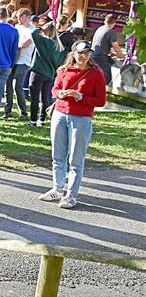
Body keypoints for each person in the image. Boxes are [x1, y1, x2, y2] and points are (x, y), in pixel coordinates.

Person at [39, 41, 107, 209]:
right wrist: (60, 93)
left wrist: (81, 97)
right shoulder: (64, 70)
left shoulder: (96, 74)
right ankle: (57, 188)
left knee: (76, 159)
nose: (84, 56)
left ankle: (71, 195)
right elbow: (54, 89)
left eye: (86, 53)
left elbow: (101, 100)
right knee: (58, 155)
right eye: (80, 53)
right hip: (60, 114)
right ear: (73, 54)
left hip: (81, 118)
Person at [29, 22, 64, 127]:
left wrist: (40, 28)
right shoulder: (59, 47)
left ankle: (33, 120)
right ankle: (42, 119)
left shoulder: (43, 41)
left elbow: (34, 33)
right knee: (45, 98)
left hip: (38, 71)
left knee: (34, 98)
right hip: (50, 74)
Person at [4, 8, 36, 119]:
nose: (18, 19)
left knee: (17, 85)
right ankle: (7, 111)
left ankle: (23, 112)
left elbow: (24, 44)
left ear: (27, 17)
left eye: (20, 17)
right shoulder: (16, 28)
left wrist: (15, 46)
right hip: (12, 59)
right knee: (8, 85)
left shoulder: (33, 30)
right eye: (17, 17)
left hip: (24, 60)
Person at [91, 13, 122, 86]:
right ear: (114, 23)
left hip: (93, 55)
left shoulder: (100, 28)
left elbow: (102, 43)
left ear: (105, 21)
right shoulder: (111, 32)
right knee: (106, 78)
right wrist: (122, 56)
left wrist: (111, 53)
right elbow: (116, 47)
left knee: (95, 76)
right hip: (101, 58)